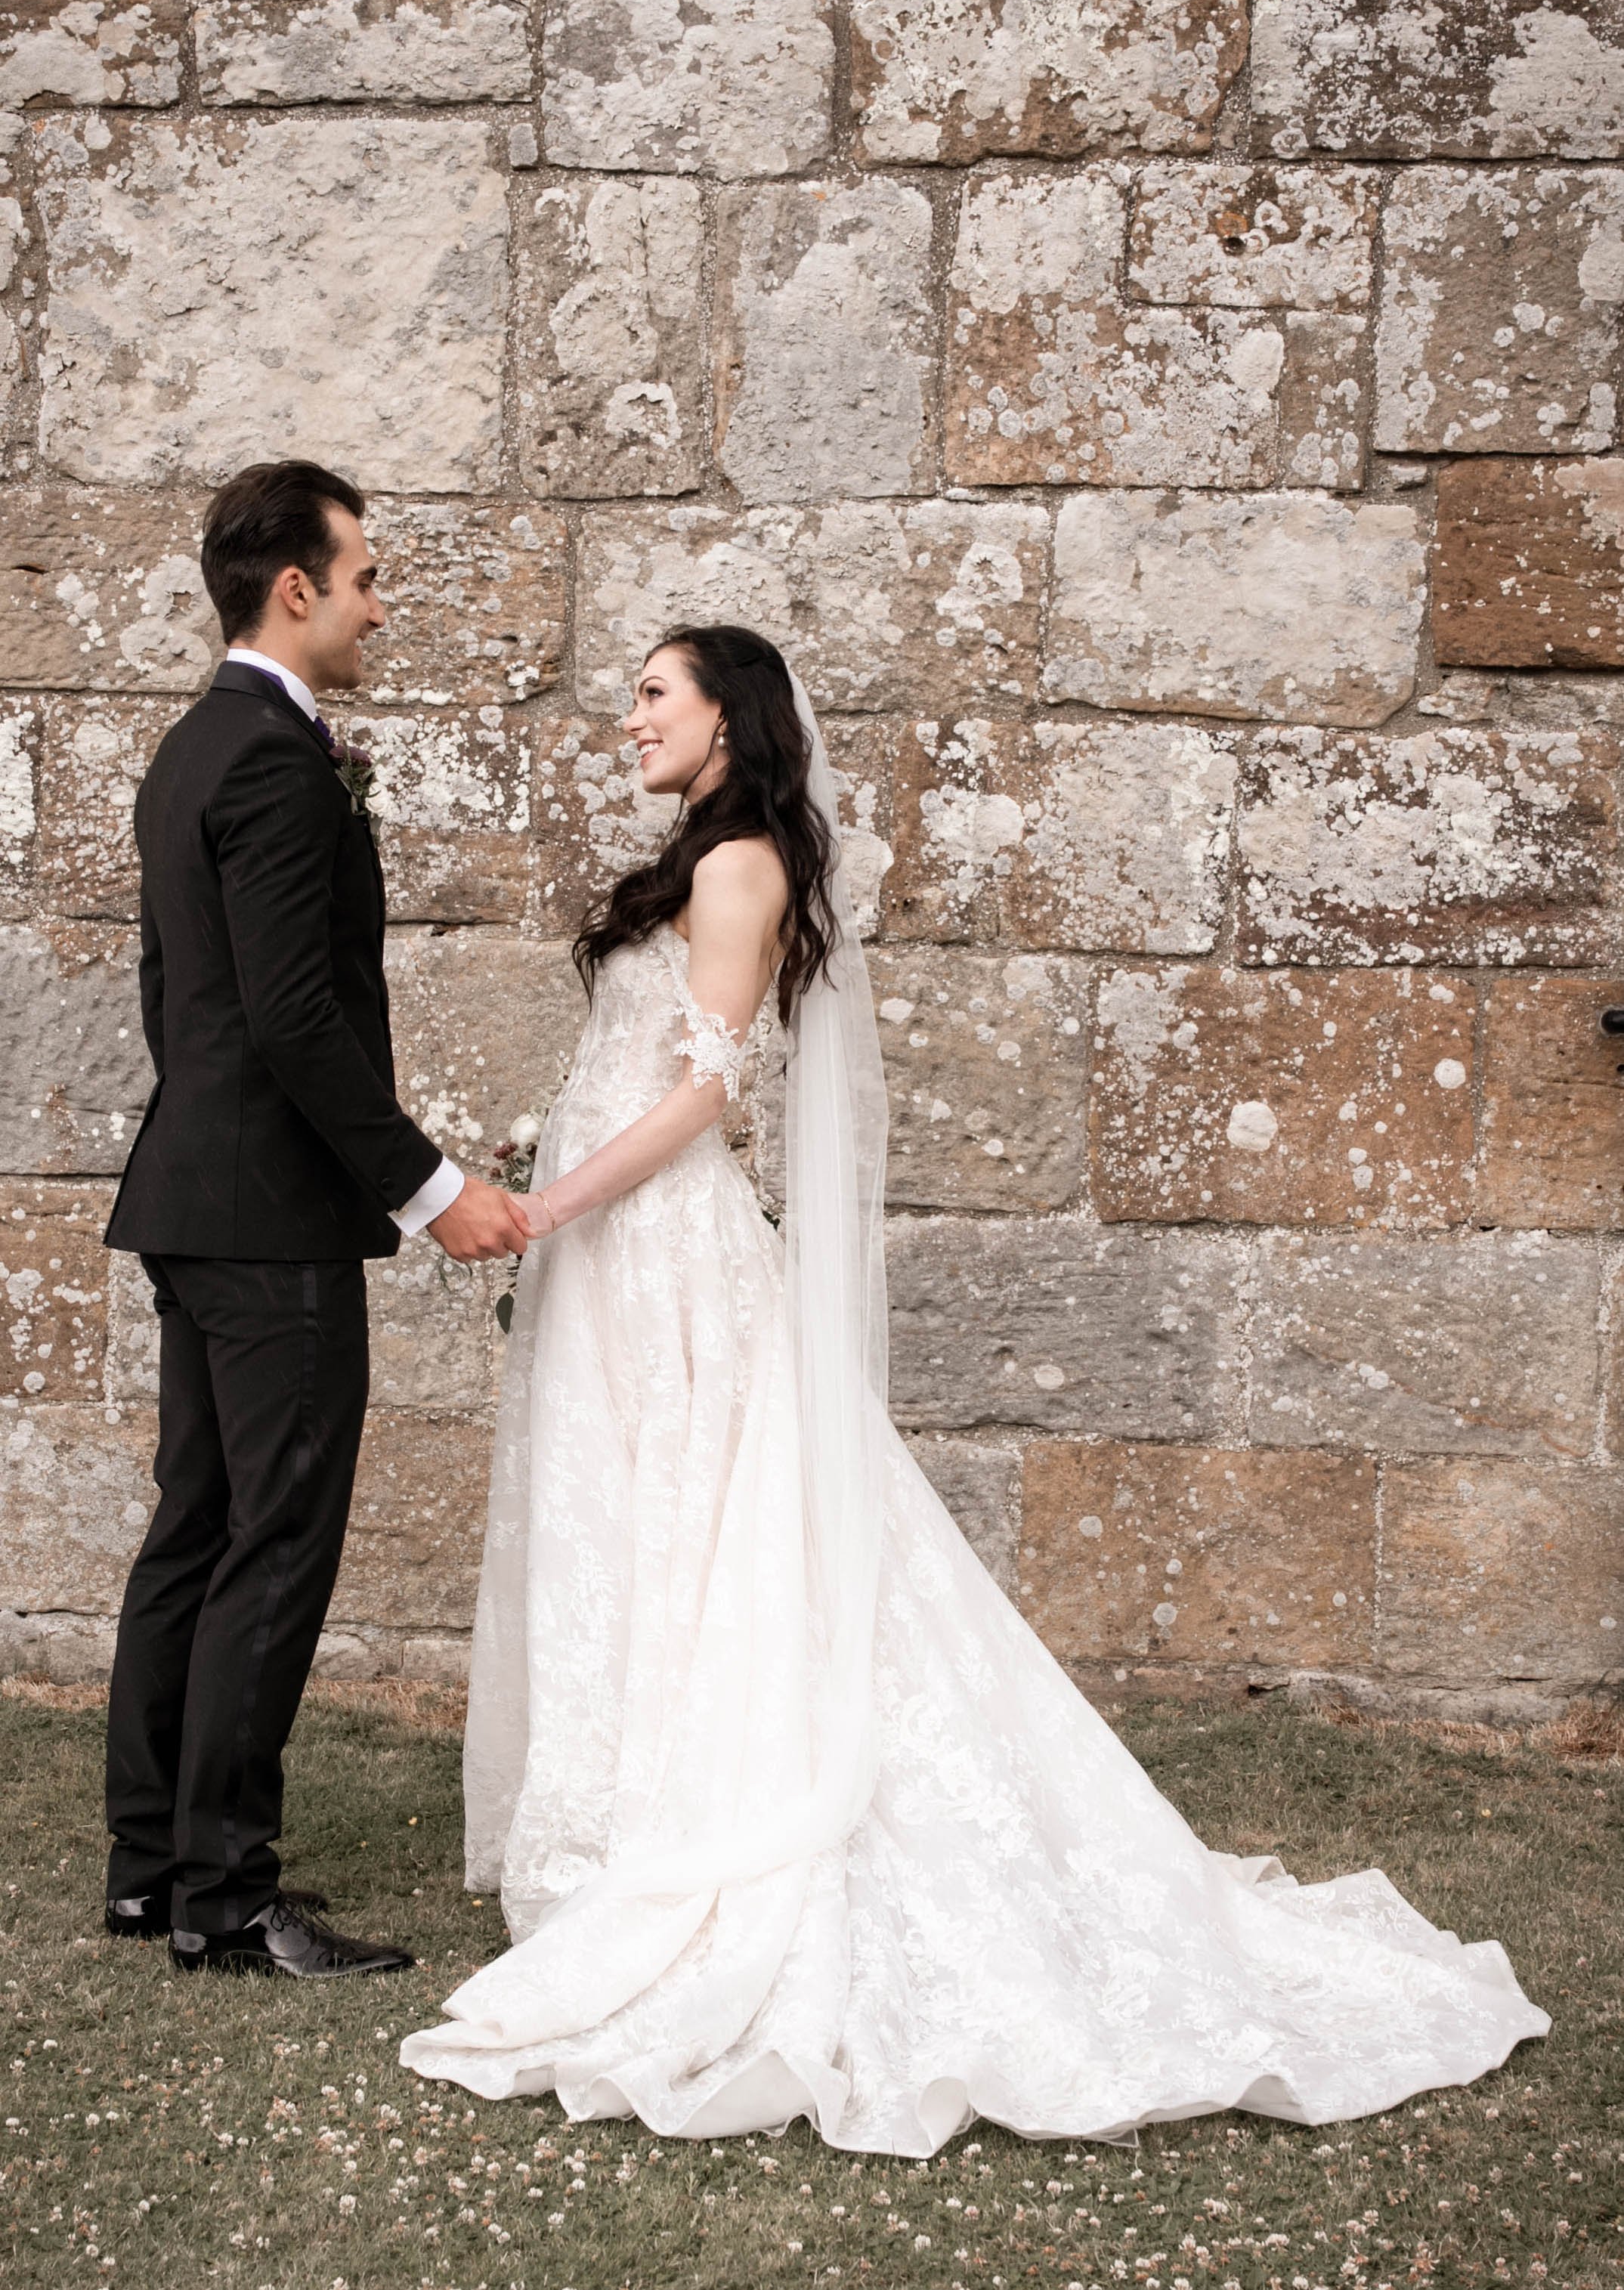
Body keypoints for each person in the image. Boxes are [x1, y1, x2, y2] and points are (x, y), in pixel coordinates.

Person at [401, 623, 1548, 2152]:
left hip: (661, 1247)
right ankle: (615, 1829)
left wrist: (548, 1205)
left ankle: (692, 1834)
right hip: (617, 1255)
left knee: (703, 1520)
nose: (629, 717)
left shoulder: (740, 865)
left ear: (730, 718)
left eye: (653, 693)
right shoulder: (698, 855)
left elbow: (701, 1092)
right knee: (633, 1523)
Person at [102, 460, 531, 1979]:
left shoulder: (188, 748)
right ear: (297, 586)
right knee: (272, 1545)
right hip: (269, 1214)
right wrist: (431, 1191)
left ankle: (151, 1866)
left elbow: (181, 1001)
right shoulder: (277, 762)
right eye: (365, 575)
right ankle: (225, 1896)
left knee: (198, 1530)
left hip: (191, 1190)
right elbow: (292, 1016)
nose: (377, 601)